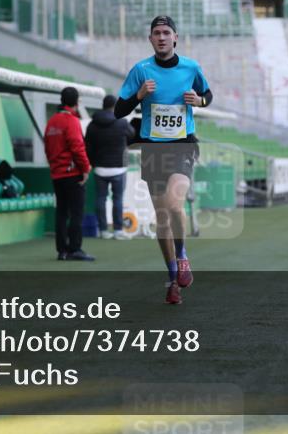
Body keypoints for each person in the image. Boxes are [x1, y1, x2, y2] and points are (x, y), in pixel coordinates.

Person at [114, 16, 213, 305]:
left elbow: (207, 93)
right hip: (153, 149)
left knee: (174, 204)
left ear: (175, 38)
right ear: (150, 39)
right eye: (156, 33)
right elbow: (119, 110)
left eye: (166, 32)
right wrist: (138, 95)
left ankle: (182, 257)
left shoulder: (191, 67)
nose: (161, 37)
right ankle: (173, 279)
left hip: (182, 145)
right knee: (162, 220)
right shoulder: (140, 70)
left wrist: (200, 101)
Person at [44, 86, 94, 261]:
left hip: (57, 174)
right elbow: (77, 147)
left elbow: (48, 148)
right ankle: (75, 249)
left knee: (61, 213)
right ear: (77, 102)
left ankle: (62, 251)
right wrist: (86, 168)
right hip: (72, 174)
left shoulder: (52, 122)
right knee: (76, 213)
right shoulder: (72, 121)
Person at [85, 94, 135, 240]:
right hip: (119, 167)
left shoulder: (92, 125)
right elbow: (132, 134)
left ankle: (103, 230)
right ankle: (118, 230)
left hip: (100, 168)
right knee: (118, 199)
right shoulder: (122, 122)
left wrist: (93, 162)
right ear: (114, 106)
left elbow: (87, 146)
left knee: (100, 199)